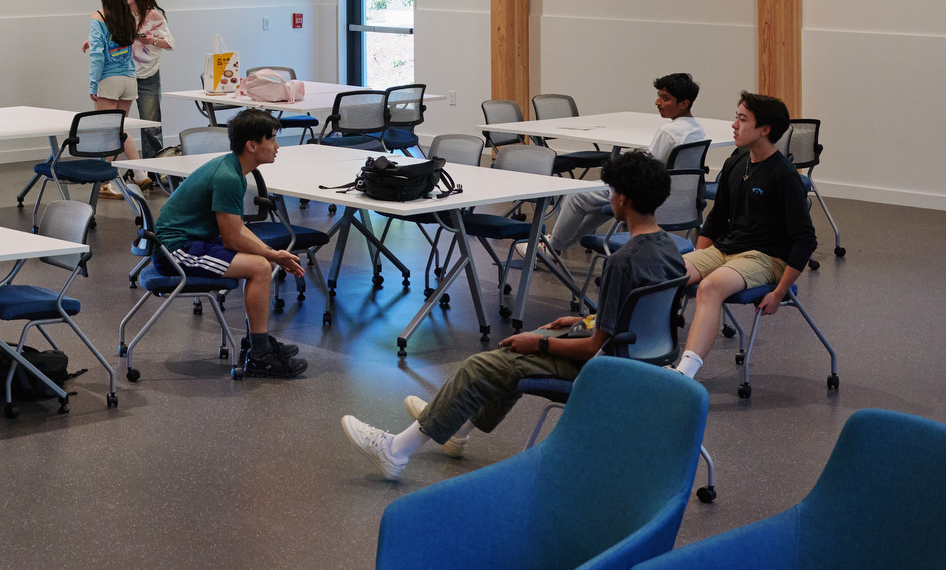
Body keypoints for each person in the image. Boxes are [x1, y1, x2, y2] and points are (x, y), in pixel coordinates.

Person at [342, 150, 684, 478]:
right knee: (509, 354)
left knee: (483, 365)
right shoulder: (670, 248)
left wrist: (540, 344)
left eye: (611, 191)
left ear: (622, 198)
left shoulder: (621, 262)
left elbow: (593, 348)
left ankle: (396, 450)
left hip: (605, 367)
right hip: (644, 359)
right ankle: (454, 426)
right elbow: (638, 315)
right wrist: (582, 321)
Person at [147, 109, 309, 378]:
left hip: (192, 242)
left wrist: (271, 253)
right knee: (260, 267)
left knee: (262, 262)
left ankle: (257, 344)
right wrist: (272, 256)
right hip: (175, 251)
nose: (277, 146)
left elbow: (238, 228)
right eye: (272, 139)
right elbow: (232, 238)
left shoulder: (233, 169)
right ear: (252, 146)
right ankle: (260, 355)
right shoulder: (228, 177)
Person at [671, 92, 816, 380]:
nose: (734, 125)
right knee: (664, 274)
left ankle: (683, 374)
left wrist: (778, 293)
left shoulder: (785, 175)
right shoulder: (736, 162)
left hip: (766, 257)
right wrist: (698, 261)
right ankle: (644, 353)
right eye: (736, 117)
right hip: (726, 249)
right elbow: (716, 218)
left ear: (764, 130)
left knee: (710, 287)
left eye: (742, 119)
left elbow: (805, 239)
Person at [547, 72, 706, 255]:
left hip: (651, 198)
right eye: (658, 96)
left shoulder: (668, 132)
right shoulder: (698, 129)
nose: (657, 102)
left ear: (684, 103)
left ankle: (552, 249)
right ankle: (554, 249)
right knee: (598, 204)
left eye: (665, 98)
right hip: (682, 203)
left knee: (577, 196)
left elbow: (644, 171)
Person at [83, 0, 138, 199]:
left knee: (111, 133)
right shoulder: (127, 16)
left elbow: (97, 55)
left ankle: (134, 173)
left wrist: (92, 84)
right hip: (129, 80)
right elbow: (120, 42)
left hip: (109, 81)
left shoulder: (98, 16)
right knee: (118, 131)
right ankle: (119, 178)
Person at [125, 0, 175, 162]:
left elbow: (170, 43)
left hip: (148, 77)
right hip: (125, 75)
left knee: (150, 126)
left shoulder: (153, 15)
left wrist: (152, 40)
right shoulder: (124, 16)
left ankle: (154, 168)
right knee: (117, 123)